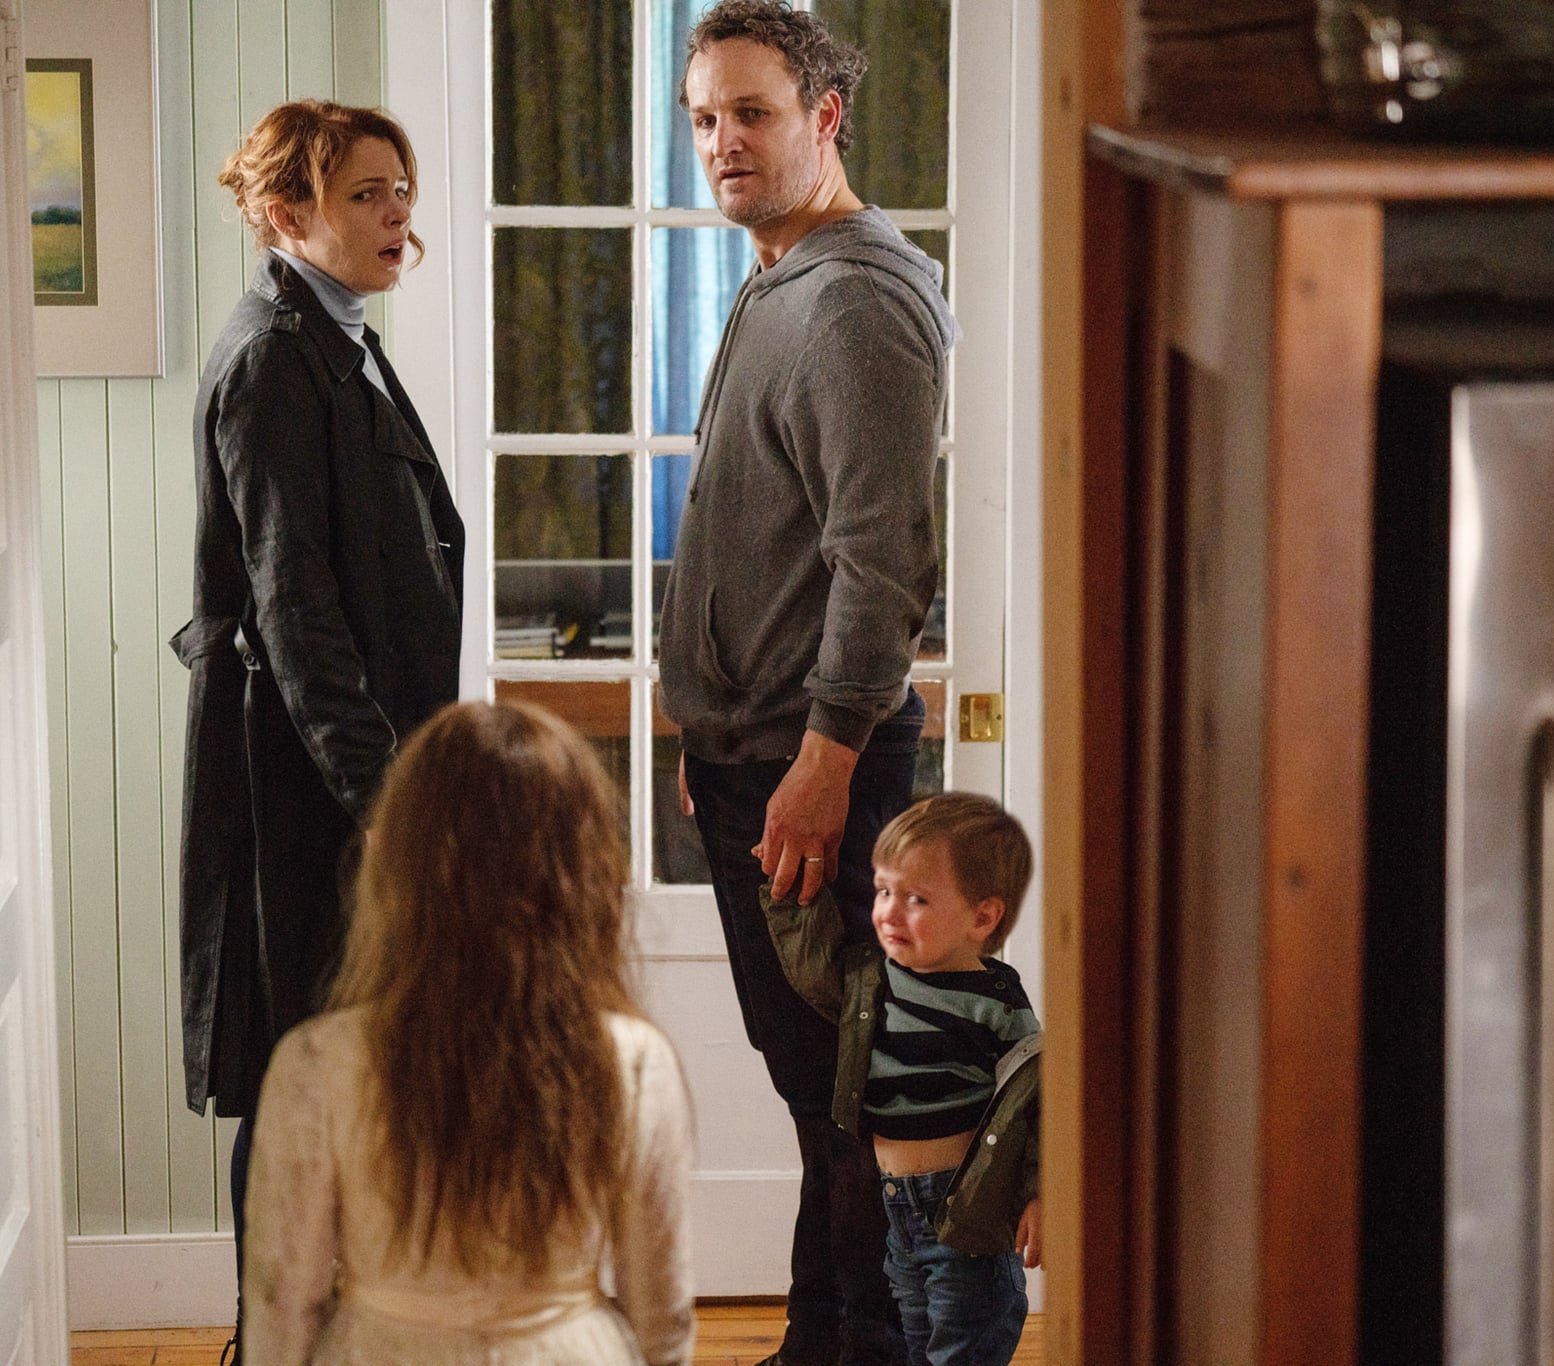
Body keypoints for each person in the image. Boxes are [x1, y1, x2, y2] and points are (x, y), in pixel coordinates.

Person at [657, 3, 957, 1362]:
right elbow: (762, 529)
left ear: (824, 118)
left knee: (855, 1104)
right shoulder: (778, 271)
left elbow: (880, 568)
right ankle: (812, 1347)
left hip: (812, 768)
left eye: (751, 113)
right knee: (816, 1096)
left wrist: (823, 762)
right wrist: (701, 722)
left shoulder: (854, 300)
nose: (721, 142)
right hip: (755, 755)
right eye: (705, 117)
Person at [168, 99, 463, 1338]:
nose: (399, 214)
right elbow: (295, 617)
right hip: (306, 795)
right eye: (366, 195)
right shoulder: (270, 360)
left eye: (401, 189)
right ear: (286, 213)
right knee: (297, 1080)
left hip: (346, 781)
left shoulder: (335, 330)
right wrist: (389, 802)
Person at [239, 700, 696, 1366]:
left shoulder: (316, 1063)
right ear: (583, 871)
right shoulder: (632, 1061)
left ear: (401, 863)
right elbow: (664, 1312)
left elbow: (285, 1304)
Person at [763, 794, 1041, 1366]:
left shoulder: (995, 1000)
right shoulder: (874, 978)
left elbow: (1037, 1105)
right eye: (883, 890)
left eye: (915, 899)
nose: (889, 911)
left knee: (965, 1343)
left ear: (982, 917)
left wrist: (1040, 1193)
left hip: (967, 1216)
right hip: (895, 1209)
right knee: (915, 1342)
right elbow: (814, 971)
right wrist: (789, 898)